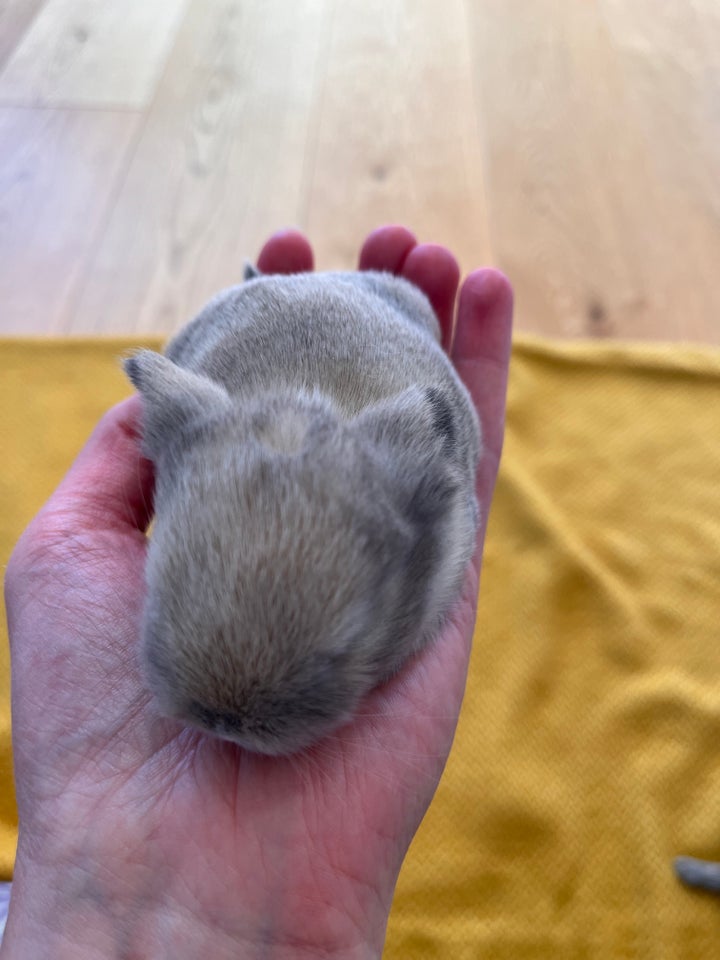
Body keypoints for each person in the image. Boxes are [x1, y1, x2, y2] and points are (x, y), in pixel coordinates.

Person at [2, 225, 513, 959]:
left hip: (377, 351)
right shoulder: (195, 408)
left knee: (406, 301)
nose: (232, 721)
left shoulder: (427, 463)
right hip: (254, 339)